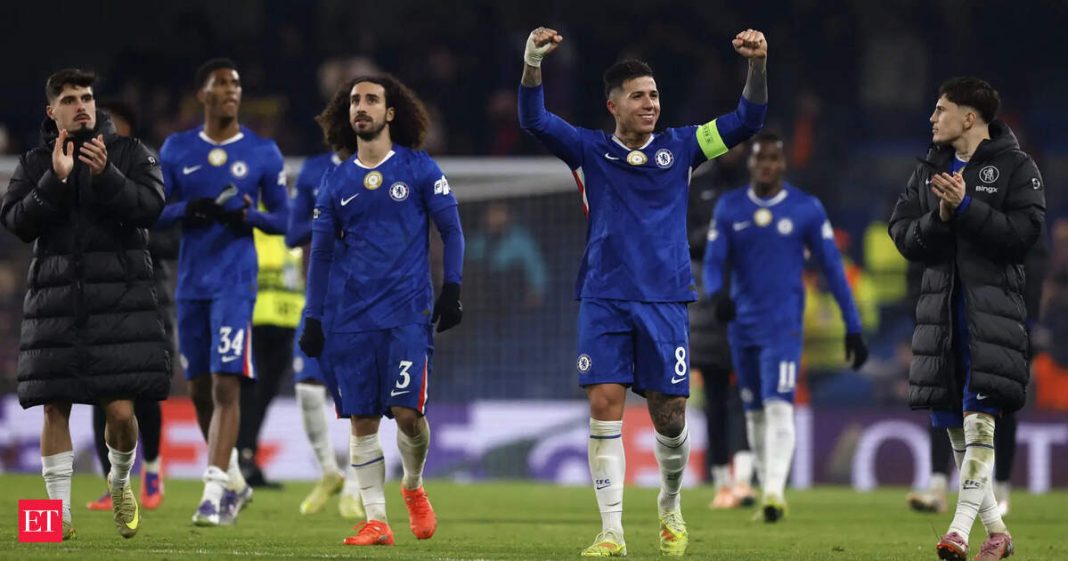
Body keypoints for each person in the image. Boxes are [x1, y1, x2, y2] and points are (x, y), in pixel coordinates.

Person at [519, 26, 768, 557]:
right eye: (639, 96)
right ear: (614, 106)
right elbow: (534, 119)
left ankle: (670, 505)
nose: (651, 103)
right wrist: (533, 64)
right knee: (604, 404)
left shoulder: (683, 146)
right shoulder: (587, 149)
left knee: (670, 415)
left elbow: (749, 120)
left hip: (664, 299)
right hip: (604, 296)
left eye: (654, 95)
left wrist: (758, 66)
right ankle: (611, 531)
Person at [1, 68, 170, 539]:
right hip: (56, 304)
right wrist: (54, 182)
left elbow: (152, 206)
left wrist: (106, 175)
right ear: (51, 111)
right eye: (70, 99)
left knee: (119, 413)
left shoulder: (132, 154)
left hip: (119, 304)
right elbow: (15, 221)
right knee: (54, 409)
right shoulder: (37, 162)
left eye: (88, 97)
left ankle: (119, 483)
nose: (82, 106)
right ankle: (58, 517)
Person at [298, 74, 464, 546]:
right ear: (346, 114)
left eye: (372, 100)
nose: (362, 107)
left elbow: (452, 231)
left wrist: (452, 287)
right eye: (355, 101)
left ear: (390, 113)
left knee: (407, 413)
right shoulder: (335, 180)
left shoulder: (418, 167)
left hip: (407, 313)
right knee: (362, 421)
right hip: (350, 319)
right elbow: (322, 255)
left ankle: (412, 486)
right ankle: (376, 520)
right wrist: (314, 316)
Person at [889, 77, 1045, 561]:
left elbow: (1023, 235)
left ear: (969, 117)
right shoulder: (928, 170)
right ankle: (997, 533)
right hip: (941, 316)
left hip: (990, 315)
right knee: (958, 430)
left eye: (941, 110)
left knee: (980, 424)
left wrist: (969, 206)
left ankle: (957, 532)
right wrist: (941, 216)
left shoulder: (1017, 168)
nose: (933, 119)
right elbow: (903, 235)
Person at [703, 132, 868, 523]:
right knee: (754, 412)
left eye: (774, 159)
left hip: (783, 329)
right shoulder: (730, 207)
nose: (766, 166)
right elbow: (713, 261)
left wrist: (853, 326)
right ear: (751, 163)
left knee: (779, 407)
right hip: (741, 328)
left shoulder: (805, 209)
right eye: (760, 159)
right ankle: (765, 488)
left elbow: (833, 269)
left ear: (783, 163)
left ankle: (774, 492)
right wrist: (717, 295)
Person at [155, 58, 288, 526]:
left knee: (226, 381)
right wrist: (190, 209)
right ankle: (233, 478)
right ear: (203, 95)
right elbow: (153, 210)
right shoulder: (176, 150)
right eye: (222, 84)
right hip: (191, 285)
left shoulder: (264, 153)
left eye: (236, 83)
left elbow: (287, 221)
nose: (232, 90)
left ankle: (213, 492)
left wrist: (248, 216)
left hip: (236, 284)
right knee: (197, 389)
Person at [84, 100, 172, 512]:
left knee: (146, 393)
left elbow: (170, 236)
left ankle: (151, 472)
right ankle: (111, 486)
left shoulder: (147, 168)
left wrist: (132, 237)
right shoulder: (80, 170)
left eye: (112, 125)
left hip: (146, 300)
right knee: (98, 393)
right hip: (96, 300)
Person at [285, 98, 363, 518]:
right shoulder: (315, 171)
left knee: (357, 396)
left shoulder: (379, 169)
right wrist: (325, 220)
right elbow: (291, 231)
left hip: (363, 299)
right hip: (319, 298)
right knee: (306, 389)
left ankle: (354, 485)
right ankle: (329, 472)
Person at [686, 150, 757, 510]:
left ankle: (744, 480)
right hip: (708, 306)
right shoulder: (698, 185)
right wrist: (717, 232)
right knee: (715, 398)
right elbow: (685, 240)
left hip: (751, 299)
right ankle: (721, 482)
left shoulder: (757, 185)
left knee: (748, 394)